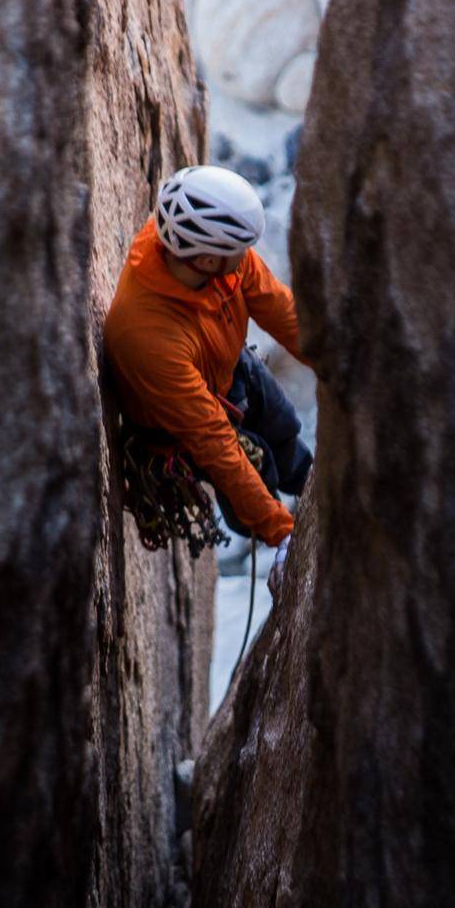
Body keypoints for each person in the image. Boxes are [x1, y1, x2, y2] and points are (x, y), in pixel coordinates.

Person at [104, 164, 311, 590]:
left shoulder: (213, 257)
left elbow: (278, 308)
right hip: (183, 424)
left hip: (227, 366)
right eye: (241, 248)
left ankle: (315, 492)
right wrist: (282, 533)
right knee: (258, 467)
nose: (249, 255)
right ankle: (276, 526)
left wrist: (337, 364)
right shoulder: (147, 335)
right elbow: (214, 443)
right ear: (205, 259)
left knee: (284, 431)